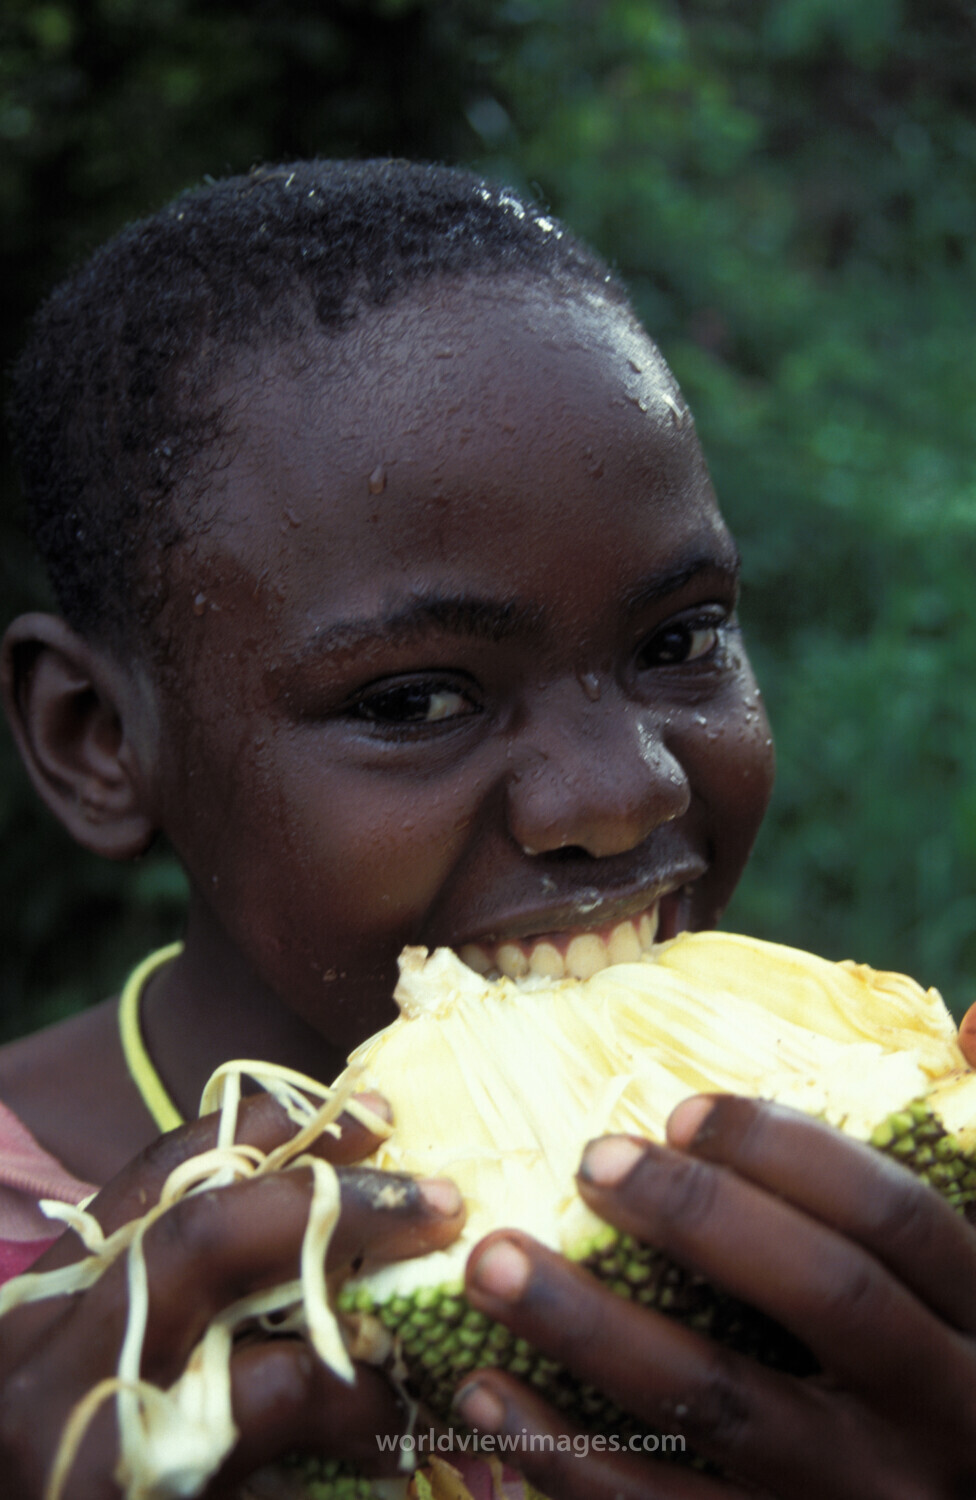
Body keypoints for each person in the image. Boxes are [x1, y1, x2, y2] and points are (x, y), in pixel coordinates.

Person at [0, 158, 973, 1500]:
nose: (620, 793)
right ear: (95, 741)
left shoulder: (896, 1215)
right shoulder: (26, 1324)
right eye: (414, 698)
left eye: (680, 639)